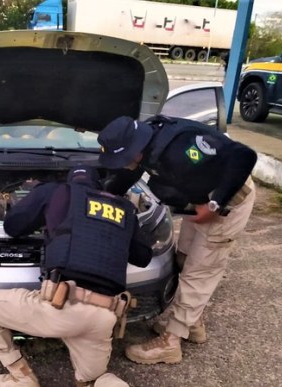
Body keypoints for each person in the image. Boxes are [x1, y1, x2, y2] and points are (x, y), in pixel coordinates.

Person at [0, 166, 153, 387]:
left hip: (60, 309)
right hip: (104, 316)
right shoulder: (125, 208)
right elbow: (143, 257)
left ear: (69, 181)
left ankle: (21, 376)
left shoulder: (56, 192)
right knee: (94, 379)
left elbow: (13, 226)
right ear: (98, 185)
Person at [96, 115, 257, 365]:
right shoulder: (145, 143)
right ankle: (193, 324)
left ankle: (171, 342)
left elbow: (244, 155)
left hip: (226, 204)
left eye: (122, 158)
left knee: (200, 270)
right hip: (199, 204)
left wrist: (216, 203)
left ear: (135, 149)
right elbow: (130, 173)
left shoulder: (183, 146)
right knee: (182, 259)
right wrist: (102, 194)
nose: (122, 164)